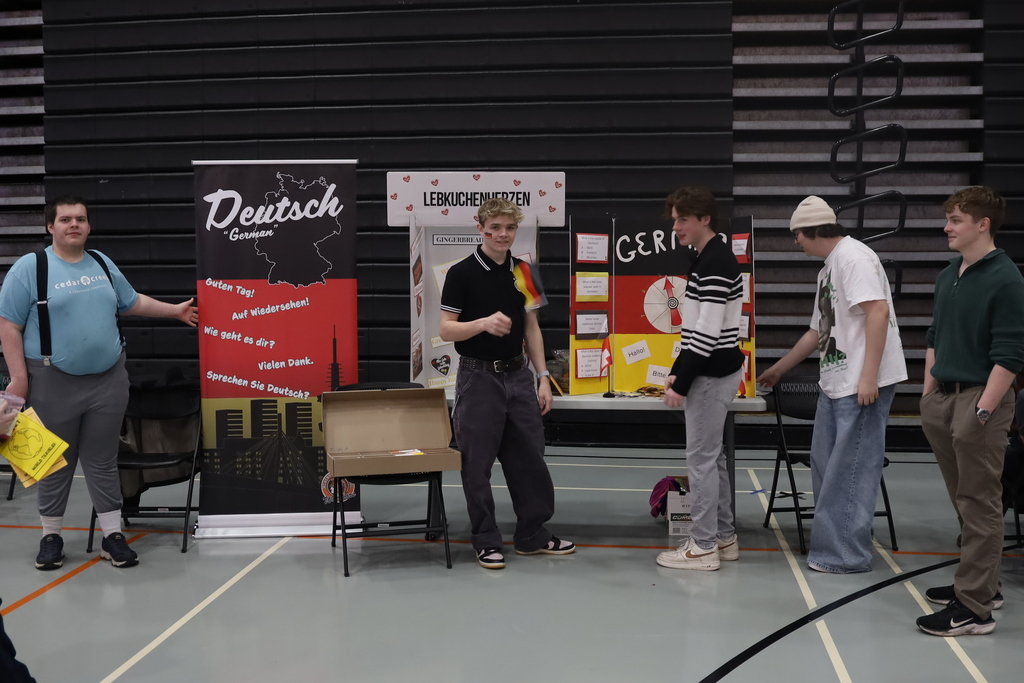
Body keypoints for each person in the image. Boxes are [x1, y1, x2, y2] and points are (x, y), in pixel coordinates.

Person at [0, 196, 199, 570]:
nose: (73, 224)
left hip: (108, 382)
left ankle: (112, 537)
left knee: (103, 460)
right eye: (65, 219)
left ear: (89, 227)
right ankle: (51, 537)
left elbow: (129, 301)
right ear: (50, 227)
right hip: (51, 382)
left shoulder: (102, 263)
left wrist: (175, 311)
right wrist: (20, 379)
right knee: (54, 461)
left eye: (80, 219)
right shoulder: (31, 268)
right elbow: (8, 324)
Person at [756, 196, 907, 574]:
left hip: (860, 382)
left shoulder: (854, 257)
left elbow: (878, 312)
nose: (796, 243)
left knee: (851, 469)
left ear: (811, 232)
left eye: (797, 235)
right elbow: (817, 331)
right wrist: (778, 369)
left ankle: (846, 555)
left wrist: (868, 376)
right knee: (826, 467)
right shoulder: (828, 270)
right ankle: (834, 545)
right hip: (835, 382)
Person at [439, 198, 574, 569]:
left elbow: (532, 327)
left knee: (529, 457)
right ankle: (485, 539)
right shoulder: (461, 273)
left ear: (517, 231)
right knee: (477, 463)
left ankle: (533, 535)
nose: (502, 234)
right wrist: (482, 323)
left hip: (519, 376)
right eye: (495, 227)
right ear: (480, 227)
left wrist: (543, 377)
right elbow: (446, 328)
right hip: (478, 377)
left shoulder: (525, 271)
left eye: (509, 228)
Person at [916, 186, 1024, 636]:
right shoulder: (949, 275)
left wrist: (982, 411)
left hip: (982, 400)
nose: (947, 227)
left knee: (980, 504)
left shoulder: (1006, 278)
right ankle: (984, 584)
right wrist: (928, 394)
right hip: (944, 399)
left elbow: (1011, 353)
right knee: (965, 499)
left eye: (956, 220)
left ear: (983, 225)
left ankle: (975, 608)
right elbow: (934, 334)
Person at [656, 187, 745, 571]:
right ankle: (724, 538)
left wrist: (682, 382)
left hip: (711, 373)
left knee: (702, 461)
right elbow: (695, 330)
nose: (676, 227)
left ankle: (703, 547)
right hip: (713, 369)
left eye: (683, 219)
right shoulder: (710, 257)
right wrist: (677, 369)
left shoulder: (714, 262)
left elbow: (707, 335)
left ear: (705, 219)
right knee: (714, 459)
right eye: (675, 219)